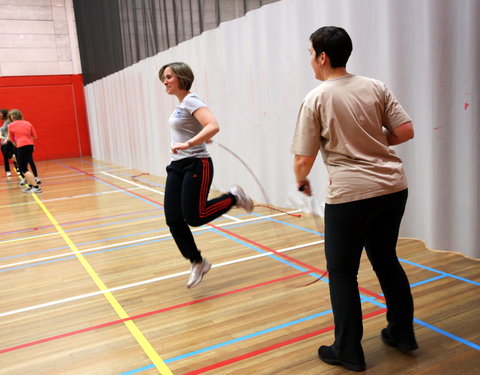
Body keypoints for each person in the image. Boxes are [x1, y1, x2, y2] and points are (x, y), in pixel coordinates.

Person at [291, 26, 417, 372]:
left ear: (323, 57)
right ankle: (402, 334)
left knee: (343, 273)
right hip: (392, 189)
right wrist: (373, 147)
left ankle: (348, 351)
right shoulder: (375, 86)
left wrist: (301, 182)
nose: (310, 60)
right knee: (386, 259)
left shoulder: (316, 97)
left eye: (310, 52)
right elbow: (405, 131)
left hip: (350, 196)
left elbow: (303, 160)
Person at [159, 62, 254, 288]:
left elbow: (213, 125)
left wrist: (190, 143)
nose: (165, 81)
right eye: (164, 77)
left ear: (181, 78)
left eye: (169, 77)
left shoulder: (192, 100)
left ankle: (233, 197)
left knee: (194, 217)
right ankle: (197, 262)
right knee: (173, 219)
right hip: (177, 166)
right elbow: (201, 128)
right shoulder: (180, 105)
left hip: (196, 164)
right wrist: (197, 136)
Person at [7, 109, 42, 193]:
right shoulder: (28, 123)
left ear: (12, 117)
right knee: (25, 166)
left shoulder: (11, 125)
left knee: (23, 168)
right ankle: (30, 186)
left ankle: (36, 187)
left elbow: (11, 139)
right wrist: (30, 144)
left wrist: (18, 146)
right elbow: (34, 136)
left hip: (21, 146)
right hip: (30, 146)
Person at [0, 108, 18, 177]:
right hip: (4, 141)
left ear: (4, 113)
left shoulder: (8, 121)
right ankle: (8, 170)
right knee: (7, 155)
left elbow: (10, 131)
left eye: (1, 113)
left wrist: (7, 139)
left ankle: (16, 169)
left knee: (10, 155)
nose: (0, 114)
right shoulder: (4, 122)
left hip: (9, 141)